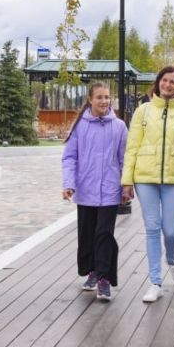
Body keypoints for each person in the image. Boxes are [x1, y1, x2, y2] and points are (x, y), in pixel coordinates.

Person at [122, 66, 174, 303]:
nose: (167, 85)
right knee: (152, 228)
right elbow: (132, 147)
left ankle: (172, 259)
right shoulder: (143, 111)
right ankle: (155, 281)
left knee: (171, 230)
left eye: (173, 82)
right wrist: (127, 181)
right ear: (158, 83)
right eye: (164, 80)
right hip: (145, 177)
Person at [62, 82, 128, 302]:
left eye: (107, 97)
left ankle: (104, 279)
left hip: (110, 190)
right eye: (99, 97)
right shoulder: (79, 126)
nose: (104, 101)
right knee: (87, 234)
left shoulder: (119, 126)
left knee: (104, 234)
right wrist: (69, 184)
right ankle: (92, 271)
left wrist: (126, 185)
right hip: (86, 189)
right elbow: (70, 157)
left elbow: (124, 159)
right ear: (90, 99)